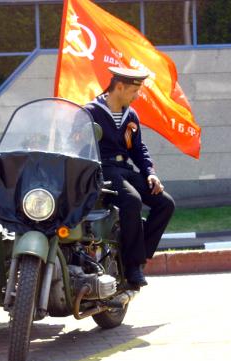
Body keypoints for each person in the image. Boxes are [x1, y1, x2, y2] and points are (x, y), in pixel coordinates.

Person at [85, 67, 175, 288]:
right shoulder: (90, 112)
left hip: (125, 169)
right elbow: (78, 146)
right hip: (102, 170)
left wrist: (151, 175)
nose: (137, 96)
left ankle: (136, 255)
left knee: (165, 204)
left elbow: (138, 150)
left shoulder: (131, 115)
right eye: (134, 91)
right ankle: (132, 266)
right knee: (132, 200)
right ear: (119, 87)